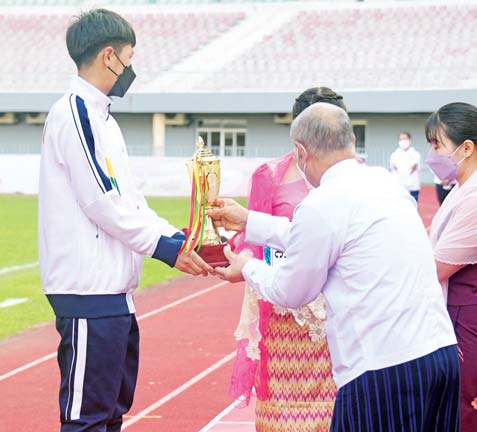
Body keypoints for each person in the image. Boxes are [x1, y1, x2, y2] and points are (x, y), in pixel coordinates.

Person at [209, 103, 459, 431]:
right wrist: (249, 221)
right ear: (351, 140)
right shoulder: (383, 182)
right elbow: (321, 237)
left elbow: (291, 290)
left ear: (301, 152)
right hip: (439, 353)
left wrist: (247, 267)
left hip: (384, 368)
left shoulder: (322, 202)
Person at [38, 9, 212, 431]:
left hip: (115, 294)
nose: (131, 69)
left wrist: (183, 238)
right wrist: (167, 250)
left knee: (112, 414)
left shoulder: (104, 121)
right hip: (87, 291)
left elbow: (131, 202)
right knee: (87, 420)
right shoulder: (74, 114)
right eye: (129, 58)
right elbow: (102, 203)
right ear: (109, 56)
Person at [231, 87, 342, 431]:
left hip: (335, 311)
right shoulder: (269, 176)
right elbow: (252, 236)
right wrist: (241, 262)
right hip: (284, 313)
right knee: (282, 412)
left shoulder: (351, 178)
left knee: (336, 405)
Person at [426, 102, 477, 432]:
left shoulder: (474, 197)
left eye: (437, 145)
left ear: (467, 148)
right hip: (455, 311)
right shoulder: (462, 189)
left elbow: (435, 266)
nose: (432, 155)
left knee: (465, 405)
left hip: (466, 315)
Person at [390, 131, 421, 201]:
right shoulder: (394, 155)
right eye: (401, 139)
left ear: (410, 140)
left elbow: (415, 167)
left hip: (413, 185)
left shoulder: (415, 154)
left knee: (413, 205)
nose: (403, 141)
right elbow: (393, 169)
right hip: (398, 186)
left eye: (405, 139)